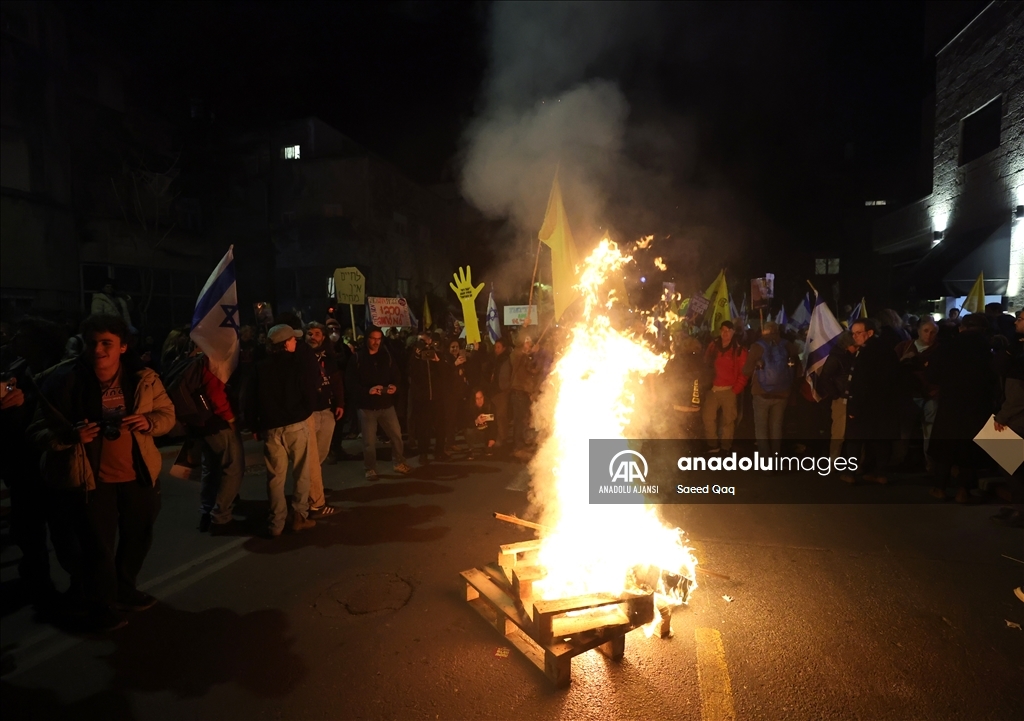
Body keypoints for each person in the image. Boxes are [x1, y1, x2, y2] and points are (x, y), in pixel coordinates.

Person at [34, 314, 175, 631]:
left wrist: (149, 422)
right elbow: (37, 429)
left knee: (138, 536)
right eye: (92, 343)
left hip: (137, 475)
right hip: (91, 480)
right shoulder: (64, 380)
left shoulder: (143, 378)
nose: (98, 350)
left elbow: (167, 413)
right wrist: (69, 436)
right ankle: (101, 605)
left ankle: (125, 589)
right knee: (97, 548)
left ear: (123, 347)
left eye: (107, 343)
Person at [246, 324, 320, 536]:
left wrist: (254, 425)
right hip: (295, 424)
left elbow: (249, 399)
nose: (295, 342)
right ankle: (299, 515)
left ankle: (276, 523)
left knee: (275, 478)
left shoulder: (259, 368)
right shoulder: (297, 365)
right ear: (285, 343)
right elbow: (309, 391)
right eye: (293, 339)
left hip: (271, 427)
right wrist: (306, 411)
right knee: (301, 473)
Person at [926, 313, 1000, 503]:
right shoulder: (988, 348)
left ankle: (940, 487)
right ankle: (963, 490)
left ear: (962, 328)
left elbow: (932, 375)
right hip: (979, 404)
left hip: (951, 403)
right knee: (970, 448)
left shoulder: (948, 346)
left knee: (946, 446)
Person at [346, 326, 411, 480]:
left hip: (386, 405)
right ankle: (370, 468)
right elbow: (350, 383)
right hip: (367, 407)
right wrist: (367, 391)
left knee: (396, 436)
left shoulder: (386, 356)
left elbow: (396, 375)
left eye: (378, 339)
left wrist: (394, 387)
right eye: (373, 338)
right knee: (369, 442)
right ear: (367, 339)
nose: (376, 342)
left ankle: (399, 462)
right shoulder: (357, 358)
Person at [841, 319, 900, 484]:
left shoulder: (866, 352)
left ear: (870, 332)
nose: (855, 337)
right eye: (853, 333)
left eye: (858, 333)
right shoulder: (887, 349)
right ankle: (880, 473)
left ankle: (850, 473)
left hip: (865, 404)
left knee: (855, 439)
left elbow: (860, 382)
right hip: (884, 404)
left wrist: (854, 407)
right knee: (880, 440)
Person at [742, 321, 801, 457]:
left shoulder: (757, 346)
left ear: (764, 331)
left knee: (761, 429)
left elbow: (746, 371)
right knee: (776, 428)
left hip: (761, 393)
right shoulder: (788, 345)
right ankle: (775, 458)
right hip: (782, 393)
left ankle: (765, 461)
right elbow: (798, 370)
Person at [304, 322, 344, 516]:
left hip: (327, 410)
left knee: (320, 454)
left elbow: (336, 381)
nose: (313, 337)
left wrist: (340, 403)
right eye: (309, 333)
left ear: (323, 337)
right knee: (310, 459)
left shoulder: (329, 357)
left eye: (317, 333)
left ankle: (315, 487)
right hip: (310, 413)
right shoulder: (302, 357)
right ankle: (313, 500)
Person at [893, 318, 940, 468]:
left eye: (933, 332)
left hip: (931, 395)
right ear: (918, 331)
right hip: (909, 395)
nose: (929, 335)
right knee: (904, 430)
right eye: (926, 331)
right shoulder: (904, 347)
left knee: (929, 431)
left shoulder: (939, 350)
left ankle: (930, 463)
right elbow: (892, 368)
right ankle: (898, 460)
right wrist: (903, 361)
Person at [702, 321, 748, 453]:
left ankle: (725, 447)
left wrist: (736, 389)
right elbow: (706, 363)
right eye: (723, 330)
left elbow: (744, 372)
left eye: (728, 330)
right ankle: (713, 444)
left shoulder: (739, 350)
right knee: (708, 418)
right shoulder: (713, 346)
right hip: (713, 389)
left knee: (728, 420)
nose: (725, 333)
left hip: (729, 390)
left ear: (733, 332)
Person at [408, 333, 448, 463]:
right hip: (422, 399)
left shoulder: (438, 354)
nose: (425, 345)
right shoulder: (414, 357)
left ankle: (439, 451)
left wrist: (437, 360)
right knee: (423, 428)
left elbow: (445, 373)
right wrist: (416, 356)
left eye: (426, 342)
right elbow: (410, 373)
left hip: (437, 397)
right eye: (421, 342)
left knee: (440, 426)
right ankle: (423, 453)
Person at [509, 333, 539, 460]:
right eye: (527, 342)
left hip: (525, 392)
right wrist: (525, 328)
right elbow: (519, 357)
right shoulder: (516, 354)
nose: (529, 344)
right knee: (519, 420)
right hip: (518, 392)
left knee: (524, 419)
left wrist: (533, 354)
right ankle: (518, 446)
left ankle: (522, 443)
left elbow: (532, 370)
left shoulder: (526, 356)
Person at [489, 339, 513, 451]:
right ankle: (497, 437)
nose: (496, 349)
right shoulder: (496, 359)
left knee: (501, 416)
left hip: (501, 391)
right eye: (495, 347)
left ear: (504, 348)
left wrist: (505, 388)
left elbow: (506, 376)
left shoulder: (506, 360)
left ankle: (502, 438)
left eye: (498, 347)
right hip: (495, 391)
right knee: (497, 416)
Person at [463, 388, 497, 459]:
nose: (480, 400)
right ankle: (471, 449)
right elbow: (465, 424)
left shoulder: (490, 406)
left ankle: (487, 447)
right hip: (475, 431)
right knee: (468, 431)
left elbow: (494, 424)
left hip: (486, 431)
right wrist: (476, 421)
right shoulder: (469, 407)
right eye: (477, 398)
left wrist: (492, 438)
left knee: (498, 442)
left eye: (481, 397)